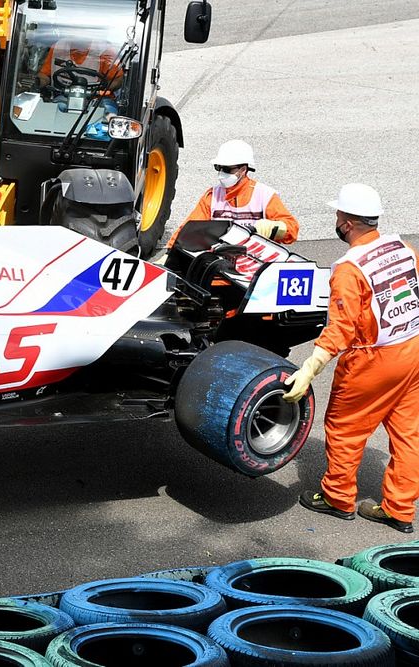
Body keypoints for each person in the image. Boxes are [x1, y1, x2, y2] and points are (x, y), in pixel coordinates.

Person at [283, 184, 419, 533]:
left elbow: (340, 329)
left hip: (372, 361)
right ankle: (400, 508)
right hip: (412, 350)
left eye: (338, 215)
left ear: (346, 222)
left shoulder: (348, 268)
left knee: (345, 428)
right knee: (408, 434)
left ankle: (338, 497)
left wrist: (309, 368)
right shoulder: (402, 247)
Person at [167, 140, 300, 248]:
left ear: (243, 170)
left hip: (257, 265)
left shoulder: (264, 196)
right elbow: (188, 230)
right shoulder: (212, 197)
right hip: (220, 266)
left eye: (226, 169)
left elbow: (292, 230)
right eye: (218, 168)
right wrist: (169, 252)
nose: (221, 173)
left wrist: (274, 228)